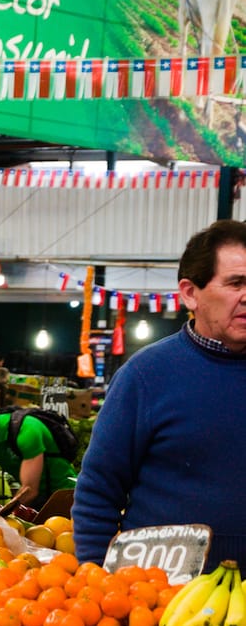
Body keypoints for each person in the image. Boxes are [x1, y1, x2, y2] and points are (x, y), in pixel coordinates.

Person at [72, 220, 246, 570]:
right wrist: (95, 575)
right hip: (157, 598)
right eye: (235, 283)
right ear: (189, 293)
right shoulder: (146, 376)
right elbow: (98, 489)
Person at [0, 403, 77, 509]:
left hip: (63, 495)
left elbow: (30, 490)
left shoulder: (26, 431)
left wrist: (5, 517)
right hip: (33, 503)